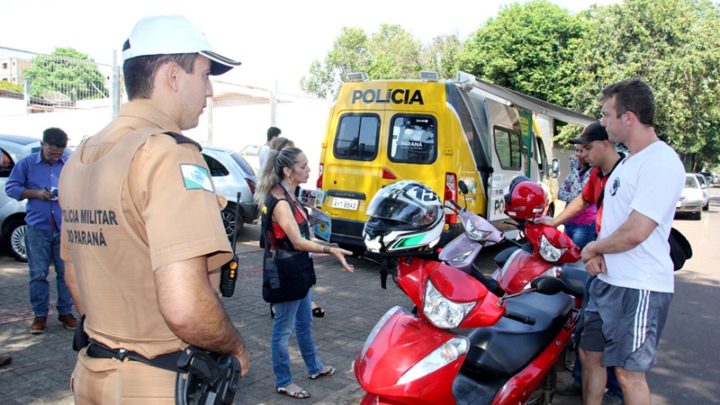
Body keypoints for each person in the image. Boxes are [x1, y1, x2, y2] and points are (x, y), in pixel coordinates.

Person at [58, 15, 249, 403]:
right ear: (172, 76)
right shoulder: (169, 155)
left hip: (93, 373)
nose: (209, 91)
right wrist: (235, 350)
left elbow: (74, 277)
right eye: (205, 74)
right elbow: (185, 306)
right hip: (156, 384)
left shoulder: (82, 156)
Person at [579, 79, 684, 405]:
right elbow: (615, 223)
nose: (603, 121)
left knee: (628, 374)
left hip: (638, 288)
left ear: (629, 117)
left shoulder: (661, 162)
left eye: (607, 114)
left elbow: (637, 230)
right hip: (607, 280)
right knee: (588, 355)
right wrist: (596, 255)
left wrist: (593, 248)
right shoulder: (629, 162)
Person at [254, 146, 354, 399]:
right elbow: (297, 242)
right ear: (288, 171)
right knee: (283, 329)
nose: (309, 170)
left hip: (298, 270)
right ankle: (284, 381)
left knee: (304, 323)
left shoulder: (290, 194)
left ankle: (314, 367)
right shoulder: (279, 201)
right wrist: (331, 250)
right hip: (286, 272)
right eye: (303, 166)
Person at [545, 122, 624, 403]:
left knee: (614, 340)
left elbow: (632, 227)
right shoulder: (596, 175)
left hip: (620, 272)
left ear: (605, 144)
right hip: (598, 270)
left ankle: (614, 391)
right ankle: (584, 382)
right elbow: (581, 200)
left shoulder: (624, 175)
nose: (582, 154)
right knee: (586, 334)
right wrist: (552, 224)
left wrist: (597, 249)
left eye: (587, 148)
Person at [5, 127, 76, 334]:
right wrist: (34, 193)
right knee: (38, 274)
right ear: (43, 145)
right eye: (51, 153)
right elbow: (11, 187)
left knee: (65, 273)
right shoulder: (27, 164)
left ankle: (65, 312)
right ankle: (40, 315)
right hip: (38, 228)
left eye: (59, 154)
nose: (55, 157)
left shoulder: (69, 163)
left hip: (64, 227)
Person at [557, 143, 597, 249]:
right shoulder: (575, 171)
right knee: (564, 256)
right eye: (576, 151)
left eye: (581, 151)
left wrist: (574, 171)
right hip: (569, 221)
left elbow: (581, 195)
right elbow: (560, 193)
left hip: (585, 225)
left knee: (575, 259)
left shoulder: (593, 171)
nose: (578, 154)